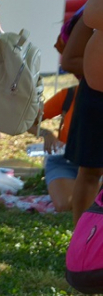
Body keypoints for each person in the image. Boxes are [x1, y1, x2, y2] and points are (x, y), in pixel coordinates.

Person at [61, 12, 103, 223]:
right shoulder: (94, 10)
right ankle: (82, 235)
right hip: (97, 97)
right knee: (90, 171)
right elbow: (70, 60)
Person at [32, 85, 80, 212]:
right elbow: (27, 121)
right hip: (65, 161)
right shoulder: (69, 95)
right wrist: (45, 133)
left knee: (85, 201)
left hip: (96, 164)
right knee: (65, 205)